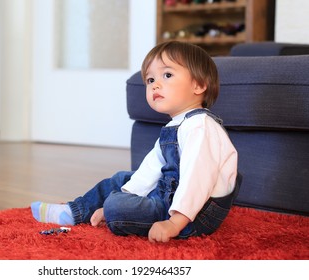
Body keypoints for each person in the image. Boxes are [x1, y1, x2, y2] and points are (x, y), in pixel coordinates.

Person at [31, 41, 242, 243]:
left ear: (199, 85)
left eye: (167, 75)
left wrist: (174, 223)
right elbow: (149, 171)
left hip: (196, 215)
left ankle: (114, 210)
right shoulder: (175, 127)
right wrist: (128, 194)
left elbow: (197, 181)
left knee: (115, 205)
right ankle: (74, 212)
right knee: (121, 180)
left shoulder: (201, 126)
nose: (155, 84)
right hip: (170, 195)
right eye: (150, 80)